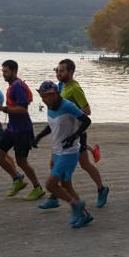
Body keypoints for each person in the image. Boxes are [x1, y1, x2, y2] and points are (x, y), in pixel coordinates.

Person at [38, 59, 110, 210]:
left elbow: (87, 111)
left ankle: (102, 189)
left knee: (85, 164)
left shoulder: (75, 88)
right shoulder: (61, 86)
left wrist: (72, 117)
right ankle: (55, 196)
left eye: (62, 71)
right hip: (62, 134)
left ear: (71, 72)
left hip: (76, 133)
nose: (58, 73)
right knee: (53, 163)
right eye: (57, 70)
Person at [32, 81, 94, 228]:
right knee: (66, 185)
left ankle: (75, 205)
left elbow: (86, 121)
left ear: (53, 94)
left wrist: (74, 136)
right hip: (57, 151)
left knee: (50, 185)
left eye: (45, 97)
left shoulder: (67, 106)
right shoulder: (50, 106)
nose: (43, 100)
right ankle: (85, 215)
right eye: (41, 97)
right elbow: (52, 125)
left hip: (70, 152)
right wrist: (39, 136)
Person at [0, 60, 45, 200]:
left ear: (14, 71)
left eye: (6, 71)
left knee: (21, 161)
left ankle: (37, 188)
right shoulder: (12, 86)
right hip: (12, 128)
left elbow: (23, 109)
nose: (3, 74)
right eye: (2, 71)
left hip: (22, 130)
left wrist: (3, 109)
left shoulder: (18, 86)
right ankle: (17, 179)